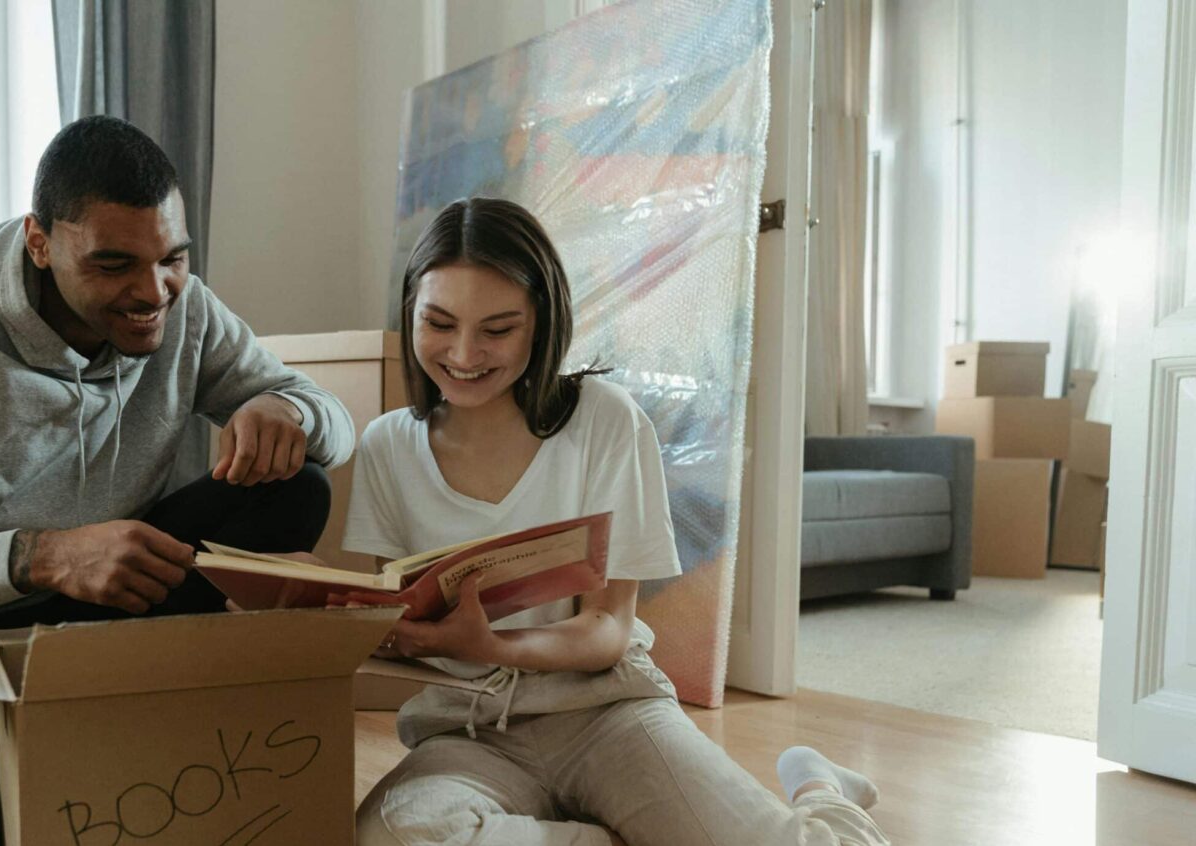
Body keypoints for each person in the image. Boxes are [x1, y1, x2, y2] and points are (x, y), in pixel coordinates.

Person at [0, 116, 354, 845]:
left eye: (174, 258)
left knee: (295, 484)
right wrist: (40, 555)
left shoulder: (186, 308)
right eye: (114, 265)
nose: (154, 292)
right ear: (39, 242)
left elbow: (330, 420)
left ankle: (126, 686)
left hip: (108, 603)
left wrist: (287, 408)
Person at [344, 197, 890, 845]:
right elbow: (397, 615)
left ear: (541, 324)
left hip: (607, 709)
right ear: (410, 311)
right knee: (392, 835)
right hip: (467, 731)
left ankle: (821, 790)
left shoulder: (605, 421)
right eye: (438, 322)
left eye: (498, 329)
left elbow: (607, 628)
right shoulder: (386, 444)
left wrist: (487, 646)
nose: (464, 353)